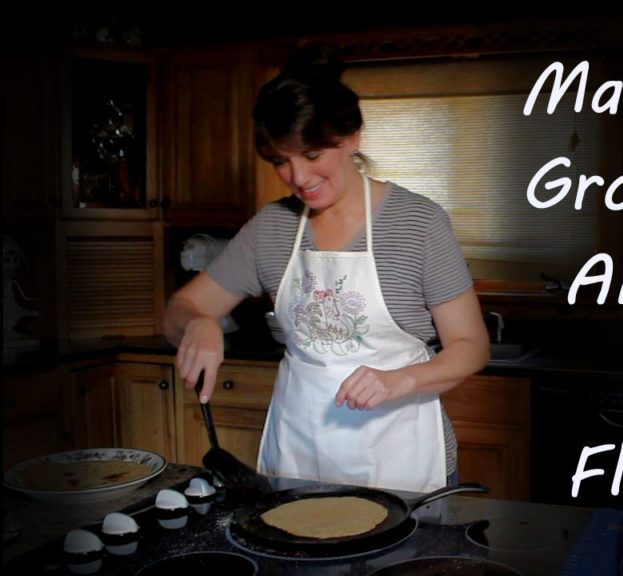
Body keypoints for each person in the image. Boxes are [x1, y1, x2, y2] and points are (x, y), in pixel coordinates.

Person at [163, 43, 490, 493]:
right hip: (298, 462)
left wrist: (400, 379)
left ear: (352, 136)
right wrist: (196, 323)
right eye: (281, 160)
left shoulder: (418, 223)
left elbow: (471, 346)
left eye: (312, 155)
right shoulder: (273, 228)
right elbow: (181, 307)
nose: (297, 177)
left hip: (404, 463)